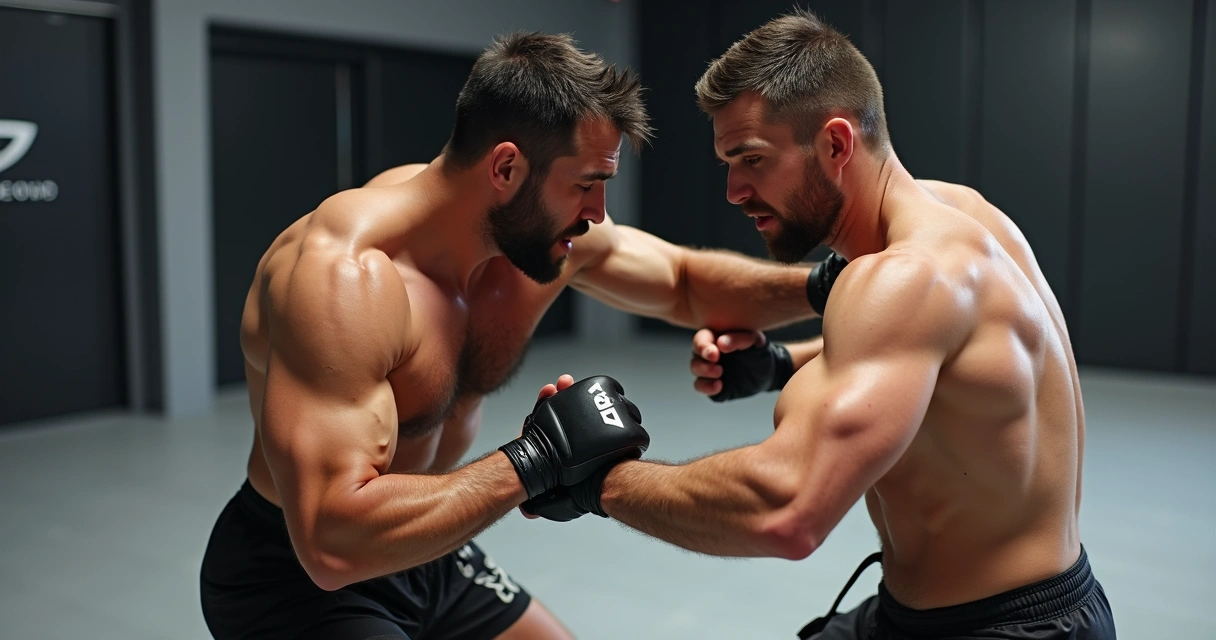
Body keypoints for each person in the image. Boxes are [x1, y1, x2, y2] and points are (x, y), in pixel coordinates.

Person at [200, 30, 822, 640]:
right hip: (296, 578)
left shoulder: (537, 239)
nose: (599, 212)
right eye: (585, 183)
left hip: (428, 548)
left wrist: (830, 287)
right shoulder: (344, 279)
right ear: (506, 167)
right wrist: (534, 463)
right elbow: (331, 543)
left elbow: (683, 282)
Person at [522, 11, 1116, 639]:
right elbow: (939, 356)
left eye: (751, 159)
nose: (733, 190)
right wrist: (781, 364)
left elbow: (787, 508)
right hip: (975, 606)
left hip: (995, 629)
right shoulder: (961, 212)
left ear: (836, 144)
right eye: (728, 162)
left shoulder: (903, 278)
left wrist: (597, 480)